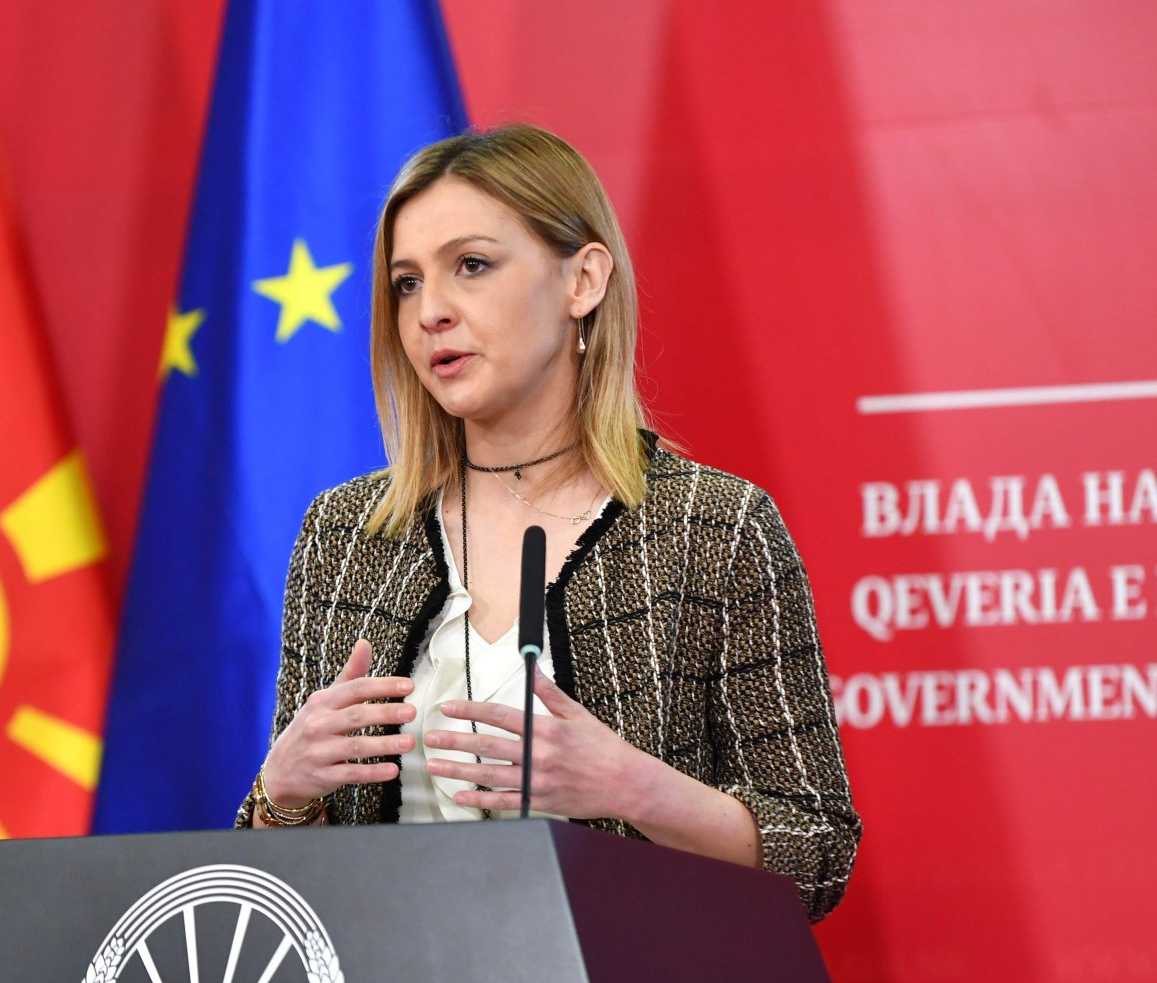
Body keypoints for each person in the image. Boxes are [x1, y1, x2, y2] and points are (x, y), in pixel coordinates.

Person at [234, 124, 858, 922]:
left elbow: (816, 852)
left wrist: (634, 787)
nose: (431, 312)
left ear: (583, 281)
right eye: (406, 283)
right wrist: (281, 794)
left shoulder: (714, 527)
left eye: (471, 265)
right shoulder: (347, 535)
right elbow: (281, 893)